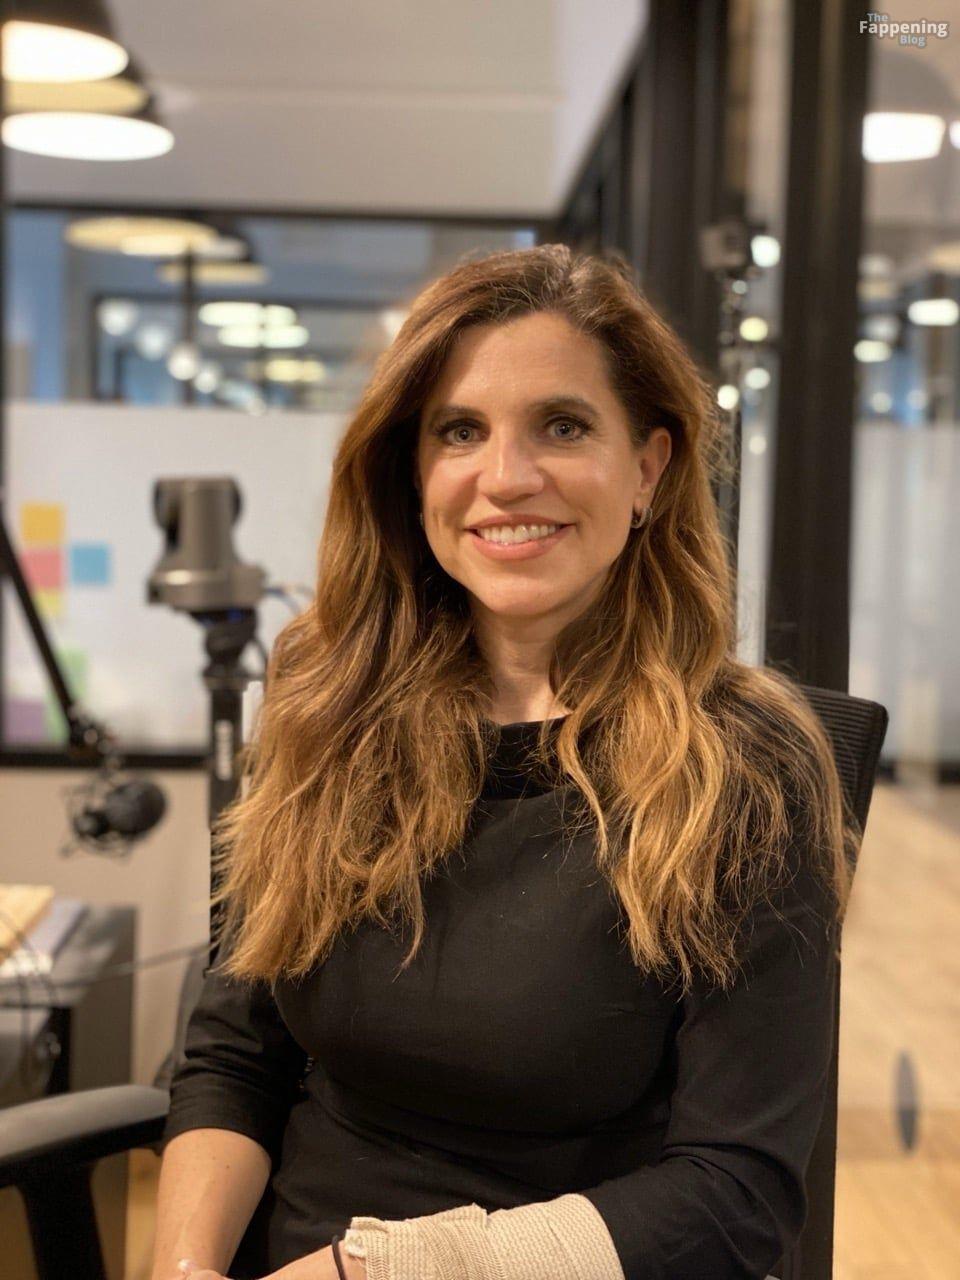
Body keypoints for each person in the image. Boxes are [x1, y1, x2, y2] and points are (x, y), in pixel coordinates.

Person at [151, 244, 859, 1280]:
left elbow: (734, 1193)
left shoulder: (744, 769)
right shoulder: (328, 710)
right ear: (412, 472)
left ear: (648, 469)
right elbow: (234, 1056)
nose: (505, 477)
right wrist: (183, 1270)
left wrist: (379, 1270)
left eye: (562, 426)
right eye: (459, 431)